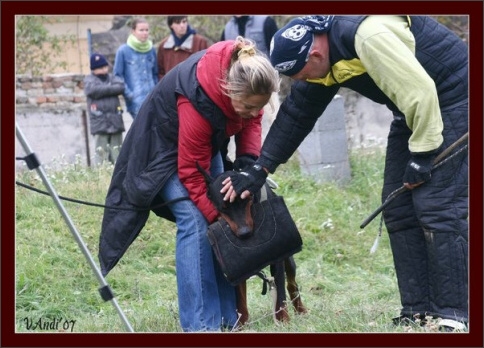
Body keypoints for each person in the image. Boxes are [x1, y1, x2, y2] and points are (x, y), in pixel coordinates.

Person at [224, 16, 469, 331]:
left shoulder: (366, 37)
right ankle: (418, 312)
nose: (302, 81)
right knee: (397, 208)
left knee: (438, 205)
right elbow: (297, 113)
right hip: (408, 109)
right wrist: (260, 168)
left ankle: (455, 314)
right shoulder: (318, 57)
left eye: (301, 76)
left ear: (314, 56)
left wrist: (422, 155)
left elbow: (421, 93)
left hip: (455, 98)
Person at [98, 36, 280, 332]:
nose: (250, 111)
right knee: (197, 221)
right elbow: (190, 172)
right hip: (159, 153)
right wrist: (216, 216)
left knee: (219, 219)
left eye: (256, 106)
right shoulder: (200, 95)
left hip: (204, 144)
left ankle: (227, 319)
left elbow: (251, 123)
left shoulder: (248, 82)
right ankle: (200, 327)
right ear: (229, 91)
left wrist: (247, 169)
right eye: (246, 105)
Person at [83, 53, 125, 165]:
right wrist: (111, 89)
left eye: (105, 67)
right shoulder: (89, 80)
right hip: (99, 122)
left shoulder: (113, 78)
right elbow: (92, 91)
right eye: (100, 67)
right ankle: (101, 176)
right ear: (94, 69)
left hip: (115, 121)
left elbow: (120, 87)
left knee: (117, 153)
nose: (104, 69)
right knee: (100, 154)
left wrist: (103, 90)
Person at [114, 17, 158, 119]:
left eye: (146, 30)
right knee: (141, 133)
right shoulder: (123, 51)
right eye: (141, 30)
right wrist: (129, 95)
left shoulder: (151, 50)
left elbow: (155, 73)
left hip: (152, 99)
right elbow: (117, 76)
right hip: (136, 101)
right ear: (133, 31)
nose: (145, 33)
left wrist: (156, 90)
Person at [157, 15, 209, 80]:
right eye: (177, 23)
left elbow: (206, 68)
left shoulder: (200, 42)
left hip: (193, 87)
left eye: (184, 22)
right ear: (171, 25)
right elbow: (161, 71)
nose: (182, 25)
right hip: (171, 87)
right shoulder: (164, 45)